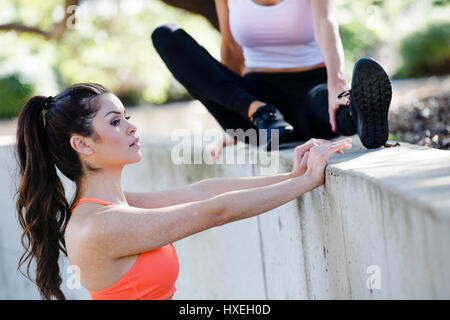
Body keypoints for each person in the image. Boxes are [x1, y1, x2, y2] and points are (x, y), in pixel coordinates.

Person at [15, 82, 352, 300]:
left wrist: (290, 175)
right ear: (82, 144)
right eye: (115, 122)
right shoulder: (97, 225)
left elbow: (201, 194)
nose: (132, 127)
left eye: (126, 116)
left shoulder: (115, 206)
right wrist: (305, 182)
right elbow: (214, 211)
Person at [151, 0, 392, 157]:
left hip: (310, 95)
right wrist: (234, 110)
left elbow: (325, 24)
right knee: (165, 36)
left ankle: (357, 114)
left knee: (326, 105)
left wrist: (337, 82)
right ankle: (258, 111)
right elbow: (231, 50)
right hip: (261, 117)